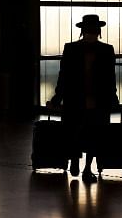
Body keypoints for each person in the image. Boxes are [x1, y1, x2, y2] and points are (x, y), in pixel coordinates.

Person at [48, 14, 116, 181]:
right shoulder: (106, 50)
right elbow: (109, 77)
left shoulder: (71, 49)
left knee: (85, 132)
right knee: (88, 132)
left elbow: (63, 76)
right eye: (90, 31)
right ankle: (83, 166)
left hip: (80, 98)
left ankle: (81, 165)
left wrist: (58, 97)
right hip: (91, 99)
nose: (92, 34)